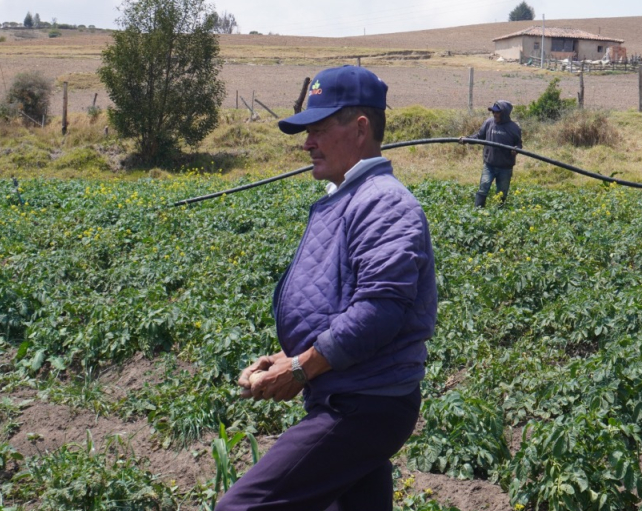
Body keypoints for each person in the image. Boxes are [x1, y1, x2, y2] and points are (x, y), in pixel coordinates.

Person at [217, 65, 437, 511]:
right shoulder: (353, 197)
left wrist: (301, 367)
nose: (307, 143)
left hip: (363, 405)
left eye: (318, 128)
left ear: (359, 129)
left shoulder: (386, 204)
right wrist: (288, 356)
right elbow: (341, 304)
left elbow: (378, 312)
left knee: (240, 507)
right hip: (352, 395)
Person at [465, 100, 523, 207]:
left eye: (497, 112)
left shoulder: (514, 128)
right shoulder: (489, 123)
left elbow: (519, 144)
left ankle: (498, 215)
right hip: (489, 165)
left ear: (504, 113)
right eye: (493, 112)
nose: (495, 114)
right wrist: (466, 139)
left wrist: (516, 149)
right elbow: (479, 137)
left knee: (502, 193)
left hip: (505, 167)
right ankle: (478, 210)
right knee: (484, 186)